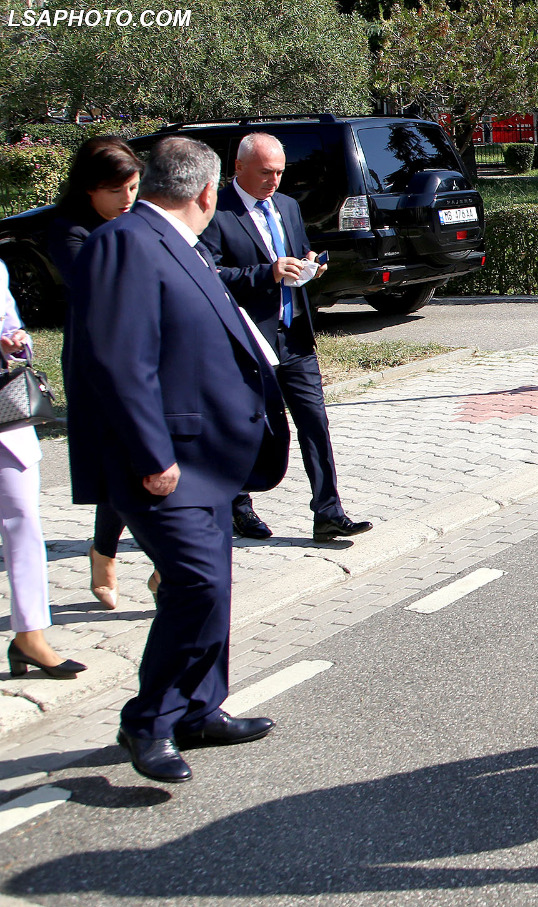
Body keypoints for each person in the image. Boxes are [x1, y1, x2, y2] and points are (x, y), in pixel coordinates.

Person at [67, 136, 289, 783]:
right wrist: (151, 453)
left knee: (212, 586)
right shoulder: (125, 242)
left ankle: (198, 708)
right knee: (197, 585)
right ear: (209, 192)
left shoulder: (175, 241)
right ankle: (148, 719)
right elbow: (118, 360)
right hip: (163, 462)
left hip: (208, 458)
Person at [201, 133, 372, 544]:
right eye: (265, 172)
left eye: (279, 172)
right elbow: (208, 276)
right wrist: (269, 272)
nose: (273, 180)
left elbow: (300, 251)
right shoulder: (216, 211)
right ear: (238, 167)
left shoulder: (287, 206)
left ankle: (328, 512)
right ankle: (239, 508)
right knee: (248, 426)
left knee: (315, 422)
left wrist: (311, 264)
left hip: (294, 335)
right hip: (247, 341)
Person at [46, 136, 153, 610]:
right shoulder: (69, 229)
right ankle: (107, 552)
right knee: (121, 463)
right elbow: (101, 288)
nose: (128, 199)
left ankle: (161, 562)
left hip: (153, 356)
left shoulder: (141, 218)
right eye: (116, 191)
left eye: (133, 187)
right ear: (89, 188)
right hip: (100, 363)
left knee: (158, 460)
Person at [1, 261, 86, 681]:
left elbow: (16, 330)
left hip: (6, 419)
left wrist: (17, 343)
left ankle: (30, 635)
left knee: (24, 523)